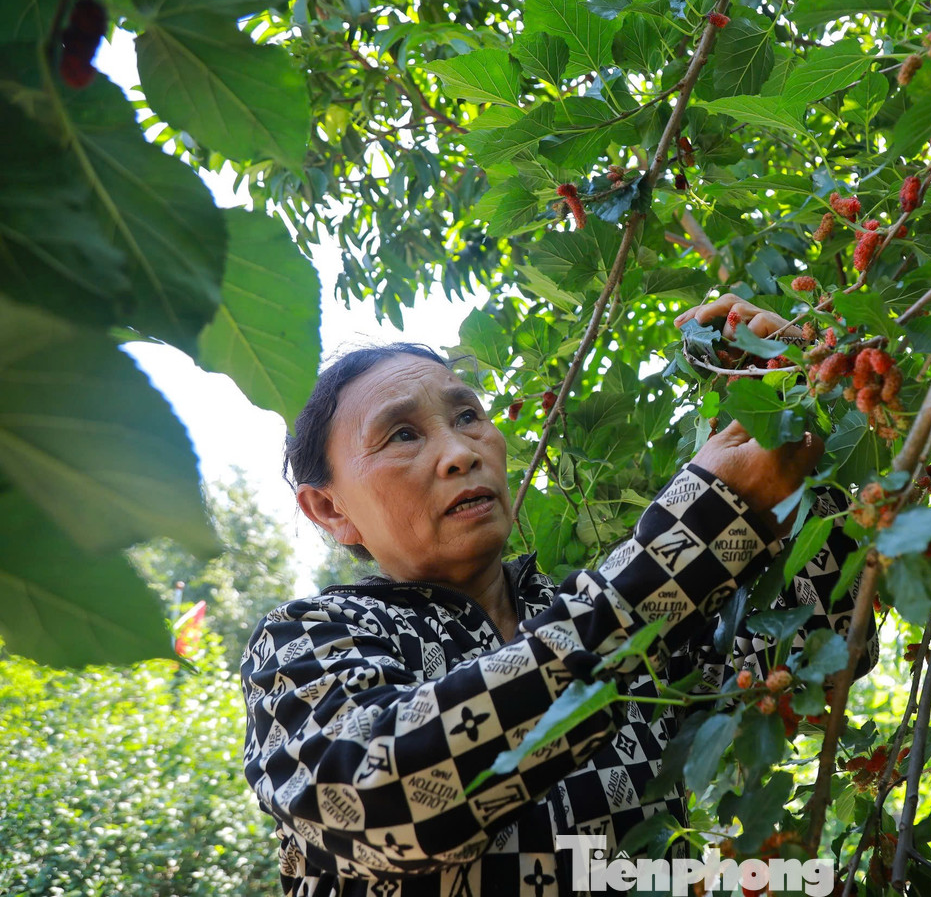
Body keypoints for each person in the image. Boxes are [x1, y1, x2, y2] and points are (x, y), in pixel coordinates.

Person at [240, 294, 877, 897]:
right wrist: (693, 536)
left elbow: (815, 659)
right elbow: (376, 798)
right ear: (328, 508)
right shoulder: (307, 640)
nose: (461, 452)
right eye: (402, 435)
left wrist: (786, 423)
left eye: (468, 417)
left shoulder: (581, 603)